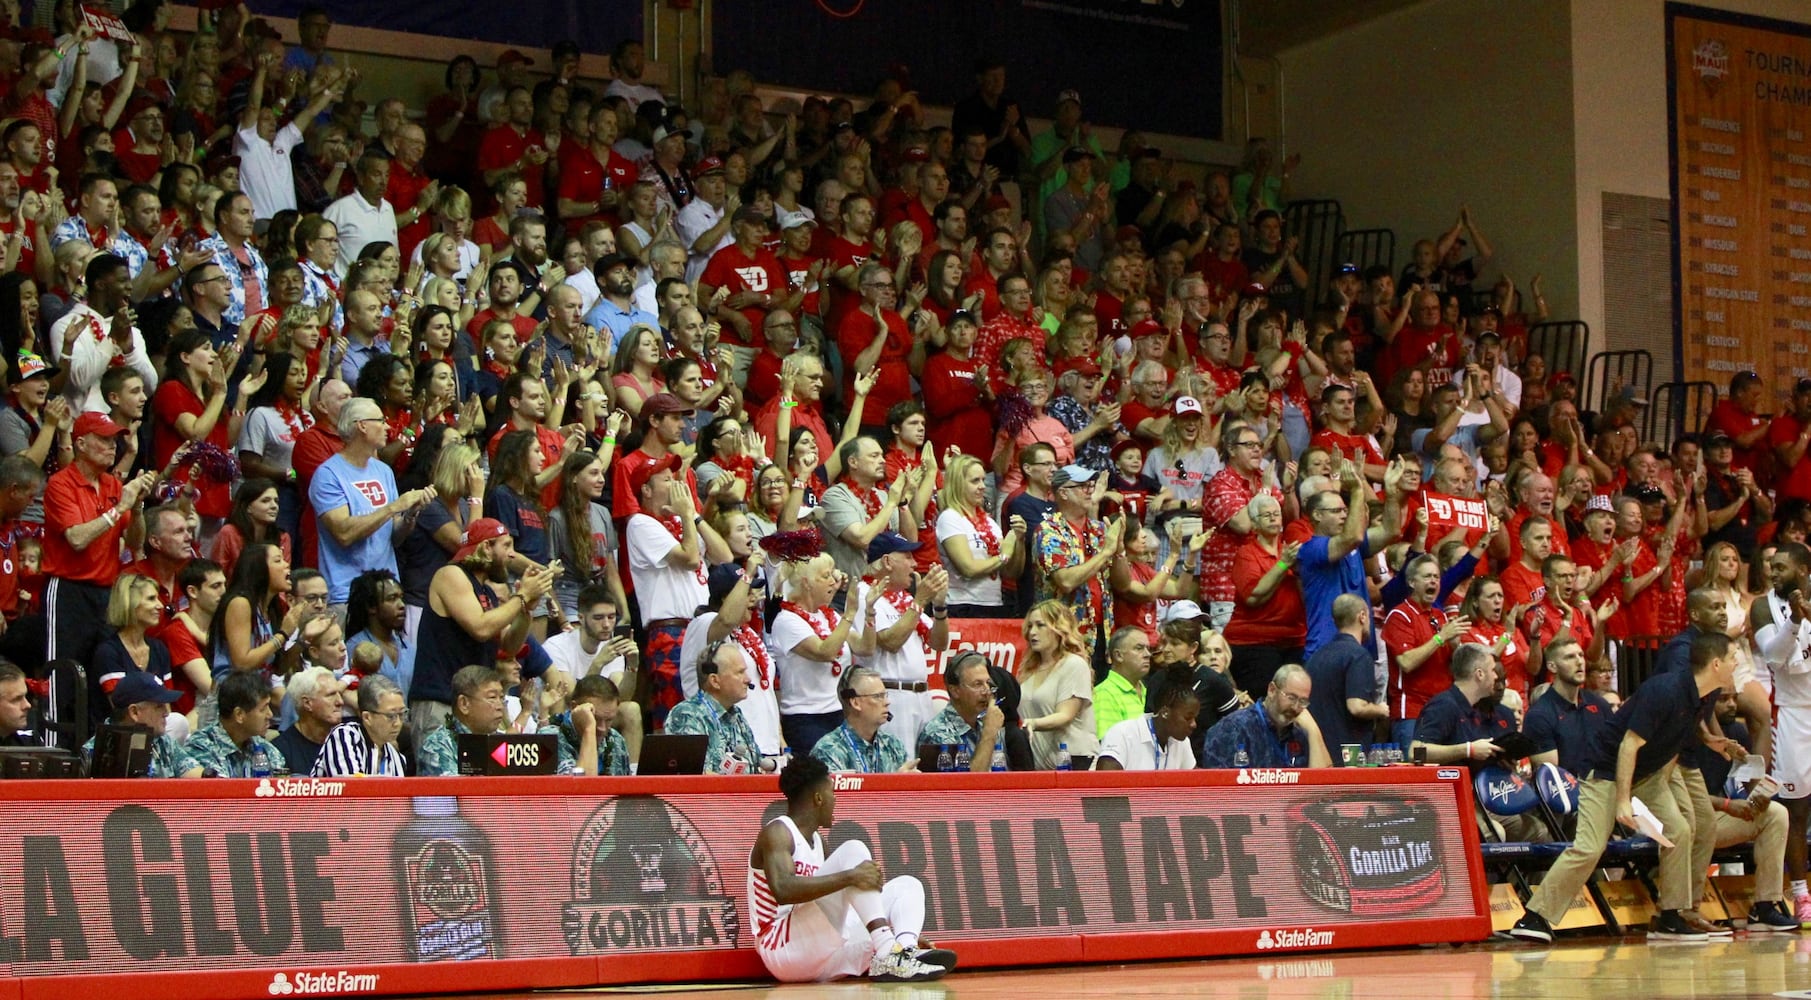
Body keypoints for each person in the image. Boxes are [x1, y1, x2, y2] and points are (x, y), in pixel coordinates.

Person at [1510, 632, 1736, 944]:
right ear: (1715, 664)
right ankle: (1533, 917)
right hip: (1605, 770)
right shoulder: (1665, 690)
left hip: (1648, 773)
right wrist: (1622, 802)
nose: (1737, 663)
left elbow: (1680, 728)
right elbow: (1629, 746)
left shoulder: (1705, 694)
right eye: (1733, 658)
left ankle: (1668, 917)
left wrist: (1711, 740)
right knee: (1590, 846)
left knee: (1679, 831)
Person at [748, 755, 954, 983]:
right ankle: (888, 950)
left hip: (822, 957)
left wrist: (893, 928)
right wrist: (850, 876)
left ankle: (903, 951)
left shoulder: (818, 842)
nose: (835, 800)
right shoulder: (778, 831)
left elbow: (844, 902)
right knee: (853, 851)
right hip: (782, 948)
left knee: (908, 885)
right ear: (818, 798)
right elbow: (783, 890)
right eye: (832, 793)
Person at [410, 518, 553, 739]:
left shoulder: (486, 592)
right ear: (486, 547)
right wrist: (522, 595)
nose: (513, 554)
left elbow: (509, 646)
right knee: (444, 774)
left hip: (474, 709)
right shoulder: (450, 575)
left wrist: (526, 609)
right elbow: (480, 628)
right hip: (440, 703)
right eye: (506, 545)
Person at [43, 411, 157, 669]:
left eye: (114, 440)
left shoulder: (113, 486)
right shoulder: (60, 484)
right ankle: (55, 712)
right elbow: (77, 539)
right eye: (104, 440)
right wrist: (119, 509)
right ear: (80, 444)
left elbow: (135, 542)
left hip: (106, 590)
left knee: (103, 670)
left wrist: (138, 507)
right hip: (68, 590)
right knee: (64, 669)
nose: (112, 446)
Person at [626, 453, 727, 727]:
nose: (676, 484)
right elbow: (691, 558)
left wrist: (693, 515)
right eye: (667, 479)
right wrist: (685, 513)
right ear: (646, 490)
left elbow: (725, 556)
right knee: (675, 713)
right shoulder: (640, 523)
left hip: (703, 626)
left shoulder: (684, 523)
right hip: (671, 631)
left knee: (709, 713)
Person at [309, 396, 434, 607]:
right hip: (347, 594)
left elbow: (393, 538)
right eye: (380, 421)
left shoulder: (383, 471)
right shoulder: (328, 475)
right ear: (362, 426)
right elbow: (344, 533)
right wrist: (395, 506)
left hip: (387, 591)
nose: (387, 427)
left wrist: (410, 514)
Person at [418, 664, 596, 776]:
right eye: (491, 698)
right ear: (464, 704)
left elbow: (560, 774)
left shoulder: (505, 743)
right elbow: (457, 798)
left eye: (501, 698)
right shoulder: (438, 745)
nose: (499, 706)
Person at [667, 634, 769, 774]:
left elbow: (757, 767)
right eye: (740, 672)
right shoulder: (687, 714)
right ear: (715, 681)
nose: (748, 679)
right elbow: (693, 774)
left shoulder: (737, 716)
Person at [1303, 593, 1387, 758]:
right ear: (1362, 616)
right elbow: (1356, 706)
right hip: (1348, 755)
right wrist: (1380, 709)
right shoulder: (1359, 656)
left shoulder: (1316, 656)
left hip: (1316, 753)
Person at [1018, 599, 1098, 770]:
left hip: (1076, 763)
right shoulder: (1029, 671)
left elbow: (1065, 715)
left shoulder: (1073, 664)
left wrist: (1033, 723)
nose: (1032, 632)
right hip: (1041, 767)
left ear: (1058, 629)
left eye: (1040, 625)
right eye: (1030, 626)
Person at [1199, 664, 1323, 768]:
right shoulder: (1233, 728)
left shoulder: (1299, 734)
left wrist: (1313, 730)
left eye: (1302, 702)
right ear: (1272, 690)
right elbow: (1220, 788)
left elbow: (1322, 787)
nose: (1296, 707)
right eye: (1291, 698)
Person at [809, 666, 914, 774]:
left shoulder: (893, 744)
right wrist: (896, 782)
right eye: (878, 696)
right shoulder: (828, 750)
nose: (887, 702)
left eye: (885, 695)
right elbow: (830, 791)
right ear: (855, 703)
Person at [917, 651, 1009, 771]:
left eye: (988, 683)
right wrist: (989, 734)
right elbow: (967, 786)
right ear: (955, 691)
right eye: (977, 684)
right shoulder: (937, 732)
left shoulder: (985, 722)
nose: (986, 691)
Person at [186, 670, 284, 777]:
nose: (270, 715)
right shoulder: (200, 747)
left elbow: (281, 786)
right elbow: (220, 791)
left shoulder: (265, 748)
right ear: (239, 714)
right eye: (263, 709)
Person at [313, 673, 407, 776]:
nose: (398, 723)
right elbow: (351, 789)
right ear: (367, 717)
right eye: (391, 715)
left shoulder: (397, 758)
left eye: (402, 714)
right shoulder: (345, 737)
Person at [1094, 683, 1199, 771]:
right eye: (1188, 718)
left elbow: (1198, 784)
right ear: (1165, 713)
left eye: (1195, 718)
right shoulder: (1122, 733)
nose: (1194, 724)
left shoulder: (1182, 741)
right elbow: (1105, 787)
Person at [271, 665, 341, 777]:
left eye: (339, 694)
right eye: (330, 695)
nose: (340, 702)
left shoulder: (346, 743)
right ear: (307, 703)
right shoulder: (279, 752)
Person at [1093, 627, 1153, 738]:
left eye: (1148, 648)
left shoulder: (1149, 691)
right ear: (1118, 656)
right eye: (1139, 648)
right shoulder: (1104, 694)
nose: (1148, 654)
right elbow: (1109, 746)